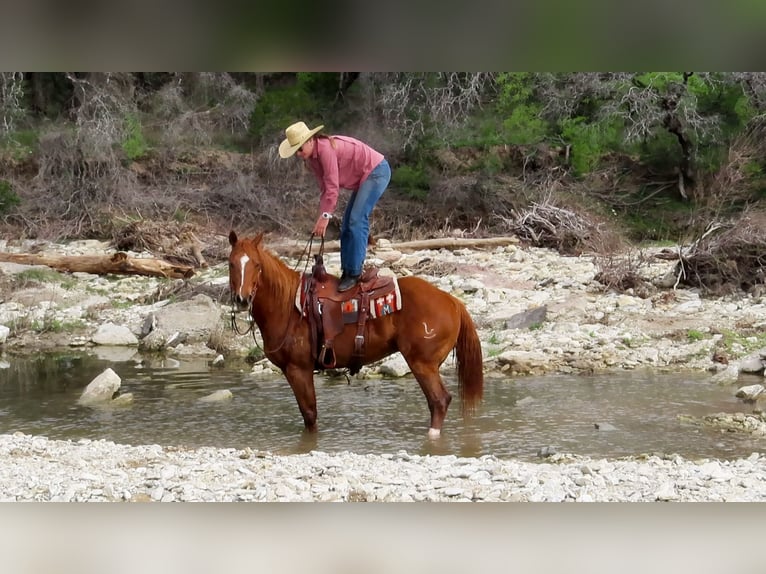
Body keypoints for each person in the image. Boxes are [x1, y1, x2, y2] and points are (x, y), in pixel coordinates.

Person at [279, 121, 391, 292]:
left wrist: (325, 217)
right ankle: (347, 271)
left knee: (356, 220)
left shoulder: (325, 150)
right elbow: (325, 189)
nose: (299, 154)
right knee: (346, 223)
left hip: (376, 171)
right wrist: (321, 216)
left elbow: (333, 187)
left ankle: (354, 273)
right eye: (296, 152)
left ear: (310, 141)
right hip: (366, 177)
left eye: (300, 149)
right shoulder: (313, 159)